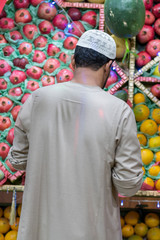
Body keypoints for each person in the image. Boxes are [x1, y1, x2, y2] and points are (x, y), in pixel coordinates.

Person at [8, 29, 143, 240]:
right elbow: (128, 184)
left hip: (41, 231)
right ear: (108, 66)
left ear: (73, 61)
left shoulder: (37, 99)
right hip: (94, 232)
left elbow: (17, 161)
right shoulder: (119, 111)